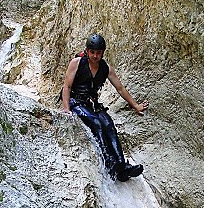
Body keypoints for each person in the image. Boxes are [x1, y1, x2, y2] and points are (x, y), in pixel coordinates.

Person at [62, 34, 149, 181]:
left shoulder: (106, 68)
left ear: (103, 52)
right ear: (87, 51)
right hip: (75, 101)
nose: (95, 56)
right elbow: (67, 86)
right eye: (92, 52)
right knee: (96, 123)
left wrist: (135, 106)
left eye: (98, 53)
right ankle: (109, 163)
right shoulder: (77, 63)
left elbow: (120, 88)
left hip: (91, 103)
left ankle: (122, 166)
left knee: (108, 124)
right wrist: (66, 109)